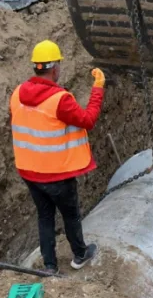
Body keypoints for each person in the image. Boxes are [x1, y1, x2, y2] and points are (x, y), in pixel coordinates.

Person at [10, 40, 104, 275]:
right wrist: (98, 88)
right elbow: (88, 120)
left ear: (36, 67)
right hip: (57, 175)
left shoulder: (17, 94)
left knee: (44, 216)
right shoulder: (59, 100)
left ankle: (50, 265)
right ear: (54, 69)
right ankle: (80, 255)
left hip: (29, 172)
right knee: (71, 215)